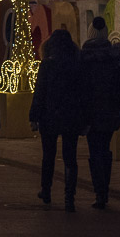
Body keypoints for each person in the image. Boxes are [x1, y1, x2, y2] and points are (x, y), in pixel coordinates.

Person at [80, 18, 120, 209]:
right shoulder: (116, 57)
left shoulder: (83, 59)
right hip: (111, 111)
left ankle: (99, 191)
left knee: (94, 150)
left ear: (89, 34)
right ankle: (104, 189)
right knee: (105, 148)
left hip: (90, 113)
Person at [29, 28, 85, 212]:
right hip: (71, 116)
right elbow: (84, 93)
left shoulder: (47, 64)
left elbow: (40, 92)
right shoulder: (77, 64)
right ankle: (70, 196)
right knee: (70, 157)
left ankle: (46, 191)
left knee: (48, 156)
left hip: (49, 116)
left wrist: (34, 117)